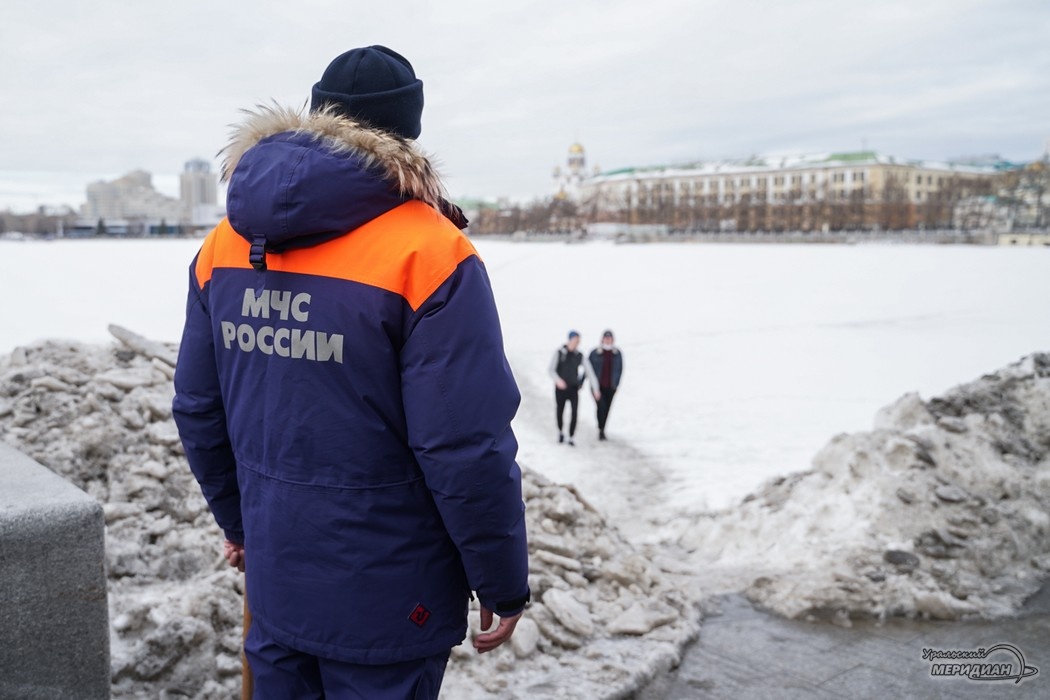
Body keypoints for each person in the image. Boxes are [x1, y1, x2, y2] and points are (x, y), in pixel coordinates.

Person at [171, 45, 529, 699]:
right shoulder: (429, 250)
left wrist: (242, 525)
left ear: (317, 114)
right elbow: (463, 445)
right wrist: (501, 578)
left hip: (278, 582)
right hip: (393, 600)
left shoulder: (226, 243)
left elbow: (198, 405)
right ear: (408, 131)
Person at [547, 330, 596, 445]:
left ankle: (571, 436)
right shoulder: (559, 353)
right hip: (560, 389)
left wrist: (595, 388)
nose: (577, 343)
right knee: (560, 410)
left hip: (573, 388)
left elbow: (589, 371)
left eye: (578, 341)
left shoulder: (579, 356)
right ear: (570, 339)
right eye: (575, 340)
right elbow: (551, 369)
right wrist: (558, 381)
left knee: (574, 412)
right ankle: (560, 431)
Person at [588, 329, 624, 440]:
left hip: (610, 386)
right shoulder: (595, 353)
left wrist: (616, 384)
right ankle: (600, 428)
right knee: (601, 407)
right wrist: (580, 381)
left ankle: (602, 428)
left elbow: (620, 370)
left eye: (610, 338)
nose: (608, 340)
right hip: (597, 387)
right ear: (602, 339)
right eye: (606, 338)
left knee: (607, 408)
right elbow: (588, 368)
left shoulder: (617, 354)